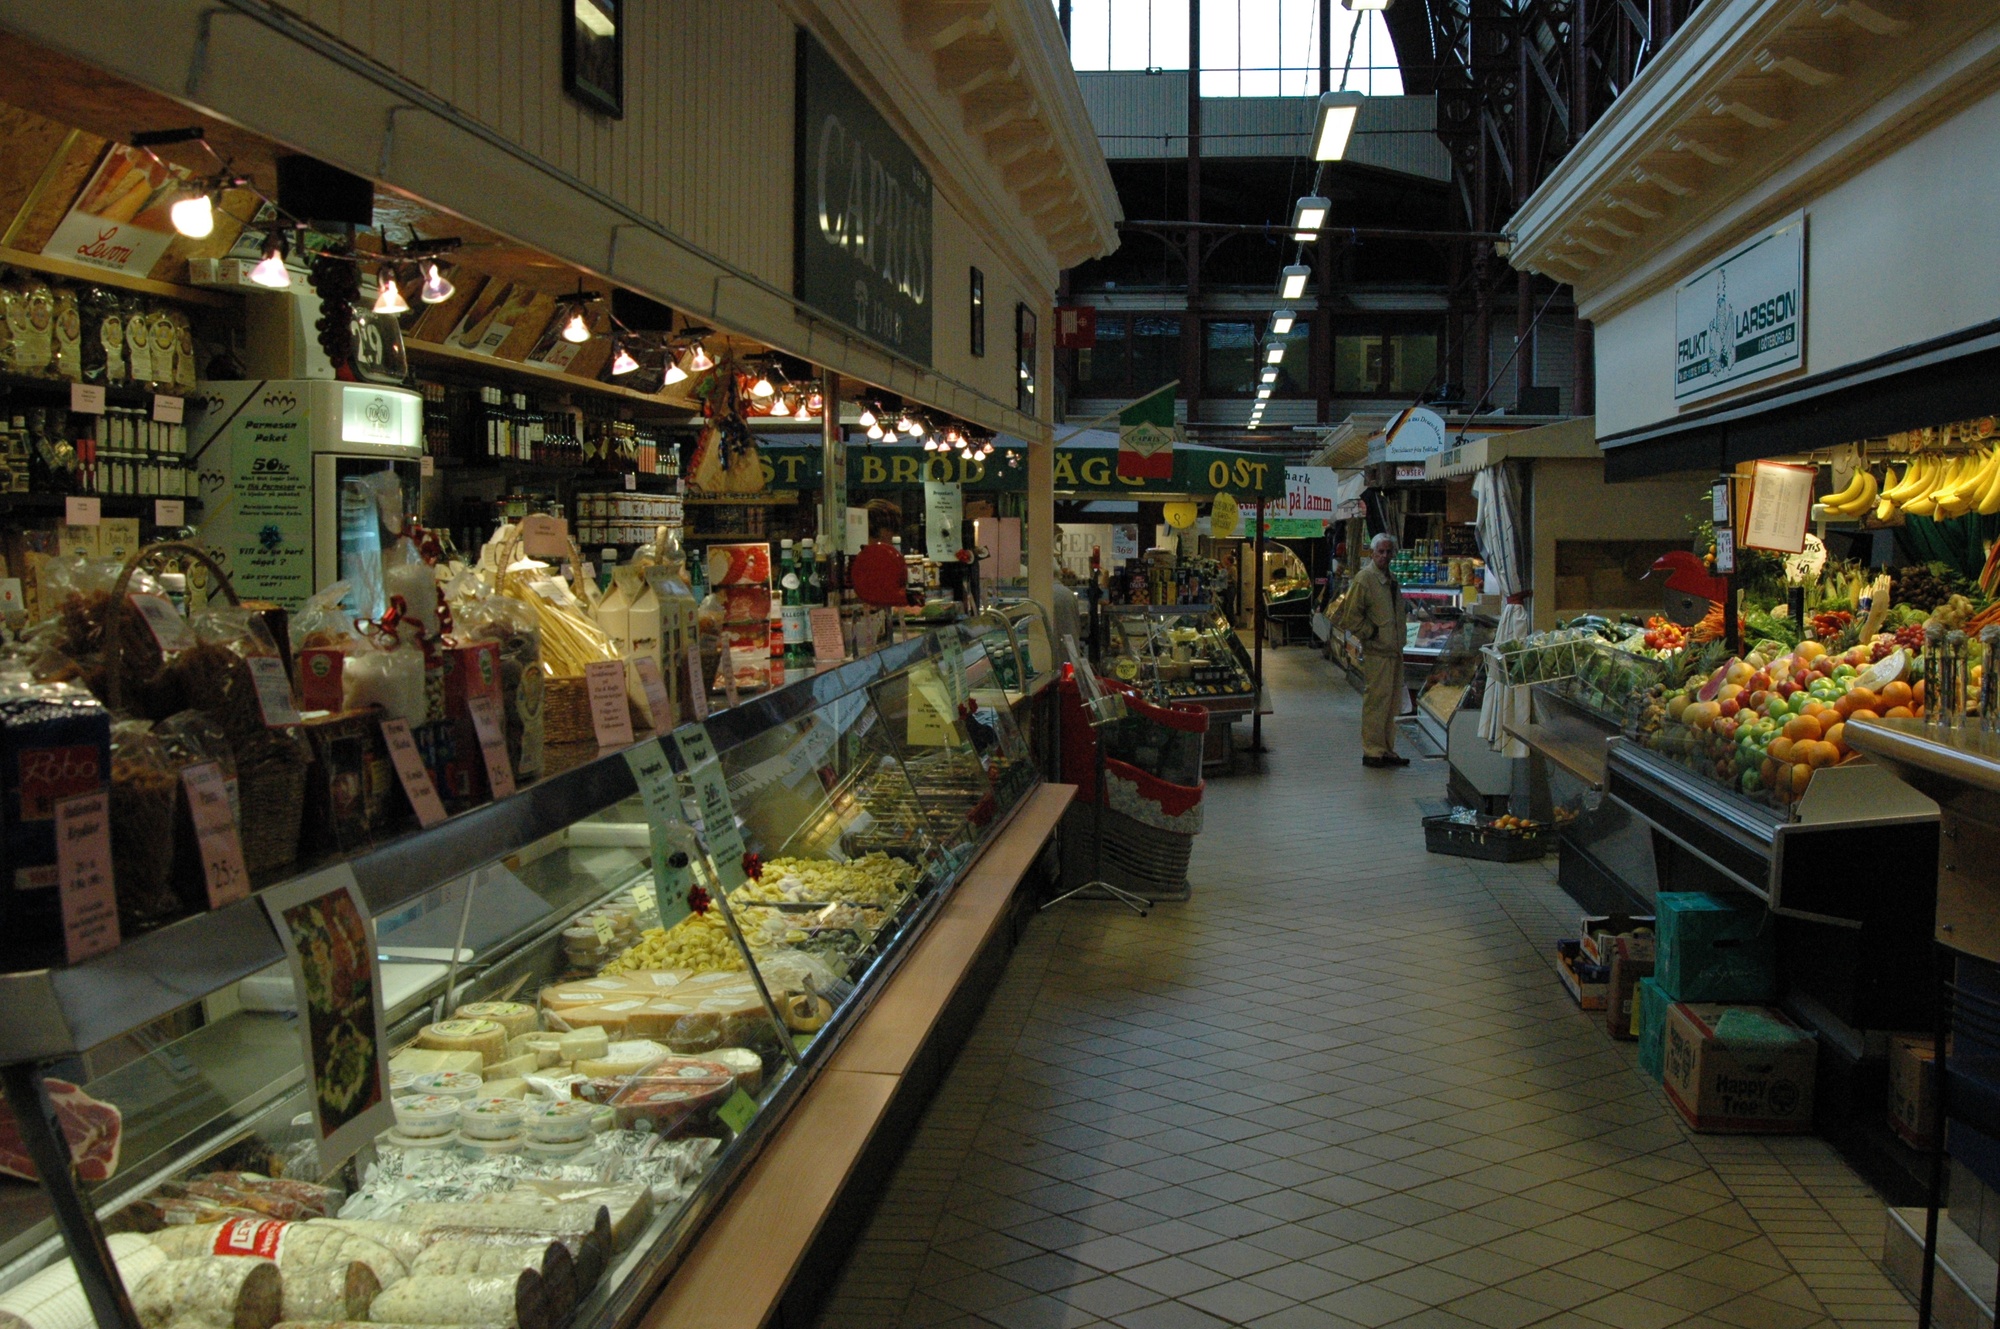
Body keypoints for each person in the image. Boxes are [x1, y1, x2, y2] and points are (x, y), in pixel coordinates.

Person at [1346, 532, 1409, 768]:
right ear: (1372, 553)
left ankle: (1387, 749)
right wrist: (1372, 633)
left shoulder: (1391, 580)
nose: (1385, 556)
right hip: (1378, 652)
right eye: (1380, 551)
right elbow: (1351, 616)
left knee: (1392, 703)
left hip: (1394, 651)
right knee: (1377, 702)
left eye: (1388, 551)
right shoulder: (1365, 579)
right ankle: (1372, 750)